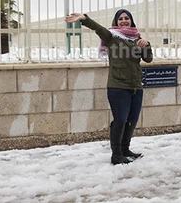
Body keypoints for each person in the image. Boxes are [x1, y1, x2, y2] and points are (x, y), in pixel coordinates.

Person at [65, 9, 153, 165]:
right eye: (121, 19)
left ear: (131, 21)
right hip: (118, 86)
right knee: (120, 120)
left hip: (136, 86)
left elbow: (148, 59)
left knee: (131, 120)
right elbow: (98, 28)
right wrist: (84, 19)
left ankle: (125, 150)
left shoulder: (136, 38)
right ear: (116, 21)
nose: (124, 21)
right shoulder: (112, 37)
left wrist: (145, 45)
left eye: (127, 18)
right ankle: (116, 154)